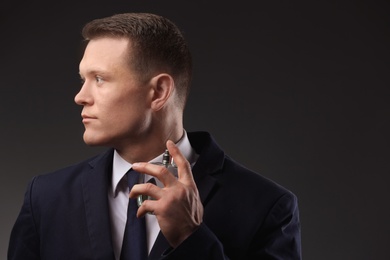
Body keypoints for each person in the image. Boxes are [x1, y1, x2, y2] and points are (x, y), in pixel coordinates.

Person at [8, 13, 301, 260]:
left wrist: (190, 236)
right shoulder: (46, 199)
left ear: (159, 92)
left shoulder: (268, 206)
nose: (80, 97)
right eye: (82, 79)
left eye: (99, 79)